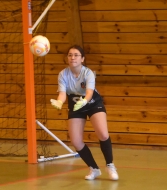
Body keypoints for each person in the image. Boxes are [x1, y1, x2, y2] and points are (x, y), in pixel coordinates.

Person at [50, 45, 119, 181]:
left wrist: (85, 100)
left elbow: (89, 92)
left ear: (82, 59)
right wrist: (59, 102)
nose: (72, 57)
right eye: (70, 55)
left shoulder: (88, 73)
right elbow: (63, 94)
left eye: (76, 55)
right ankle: (94, 168)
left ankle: (110, 165)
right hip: (76, 106)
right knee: (76, 141)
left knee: (103, 134)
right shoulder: (63, 74)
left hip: (93, 103)